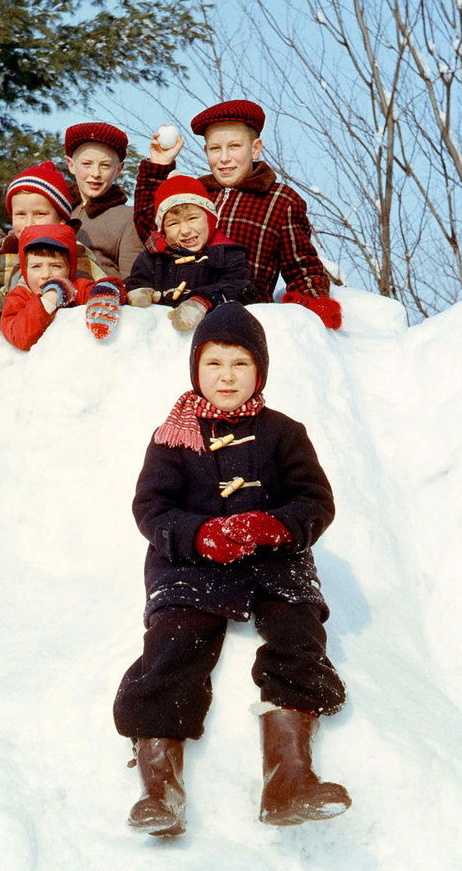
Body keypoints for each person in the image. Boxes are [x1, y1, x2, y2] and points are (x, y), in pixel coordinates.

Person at [114, 302, 349, 835]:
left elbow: (316, 500)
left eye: (240, 365)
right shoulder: (173, 435)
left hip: (273, 559)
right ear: (196, 369)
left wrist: (274, 527)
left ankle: (290, 778)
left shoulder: (284, 431)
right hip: (192, 563)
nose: (226, 376)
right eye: (214, 363)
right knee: (174, 643)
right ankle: (159, 790)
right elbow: (151, 508)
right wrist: (198, 534)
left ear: (259, 372)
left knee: (298, 630)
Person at [132, 99, 342, 329]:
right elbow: (151, 229)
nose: (224, 158)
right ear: (206, 151)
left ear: (255, 148)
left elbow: (302, 269)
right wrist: (159, 165)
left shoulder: (280, 200)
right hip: (177, 316)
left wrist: (316, 307)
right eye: (215, 148)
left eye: (234, 146)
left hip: (240, 319)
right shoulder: (196, 195)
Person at [0, 157, 104, 321]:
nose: (29, 224)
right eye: (20, 214)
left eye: (39, 214)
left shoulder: (73, 253)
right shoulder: (10, 247)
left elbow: (100, 290)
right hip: (16, 331)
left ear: (61, 220)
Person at [125, 173, 258, 333]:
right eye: (173, 223)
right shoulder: (152, 259)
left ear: (209, 218)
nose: (186, 231)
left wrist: (204, 300)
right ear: (163, 229)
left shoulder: (229, 255)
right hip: (160, 339)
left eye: (193, 218)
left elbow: (240, 288)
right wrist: (137, 292)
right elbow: (135, 282)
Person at [0, 224, 126, 350]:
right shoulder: (18, 297)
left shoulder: (75, 287)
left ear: (69, 268)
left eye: (56, 266)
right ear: (25, 269)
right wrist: (47, 301)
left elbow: (99, 291)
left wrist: (105, 292)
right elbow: (18, 335)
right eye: (36, 266)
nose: (46, 275)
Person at [64, 122, 144, 280]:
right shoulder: (56, 210)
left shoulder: (129, 218)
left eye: (105, 166)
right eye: (86, 164)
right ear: (71, 165)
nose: (95, 173)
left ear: (119, 169)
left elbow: (133, 280)